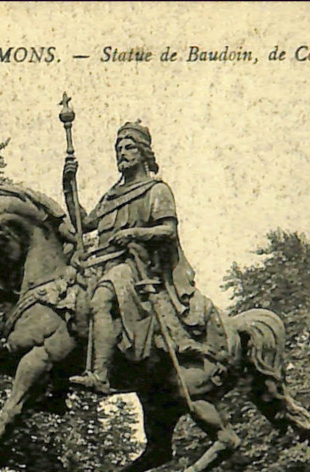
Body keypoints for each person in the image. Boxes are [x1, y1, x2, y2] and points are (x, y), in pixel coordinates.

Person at [62, 121, 226, 395]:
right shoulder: (111, 195)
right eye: (118, 149)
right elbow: (85, 223)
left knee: (101, 299)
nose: (122, 154)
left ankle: (100, 375)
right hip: (101, 264)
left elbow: (168, 230)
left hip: (136, 266)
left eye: (129, 148)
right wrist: (68, 187)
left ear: (143, 153)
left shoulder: (156, 190)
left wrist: (134, 233)